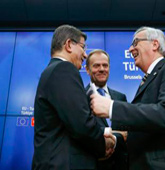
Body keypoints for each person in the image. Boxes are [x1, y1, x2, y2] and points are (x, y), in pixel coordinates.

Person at [90, 27, 165, 170]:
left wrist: (111, 107)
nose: (130, 49)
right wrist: (116, 140)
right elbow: (146, 127)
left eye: (135, 43)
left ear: (155, 44)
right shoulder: (148, 79)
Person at [32, 25, 115, 170]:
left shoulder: (52, 70)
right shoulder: (64, 69)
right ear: (69, 45)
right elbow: (81, 123)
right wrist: (103, 145)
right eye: (83, 47)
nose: (85, 55)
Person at [85, 49, 128, 170]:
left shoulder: (120, 97)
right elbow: (83, 131)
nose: (102, 69)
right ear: (87, 70)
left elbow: (127, 134)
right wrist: (115, 134)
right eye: (96, 66)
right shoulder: (80, 98)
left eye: (105, 65)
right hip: (93, 164)